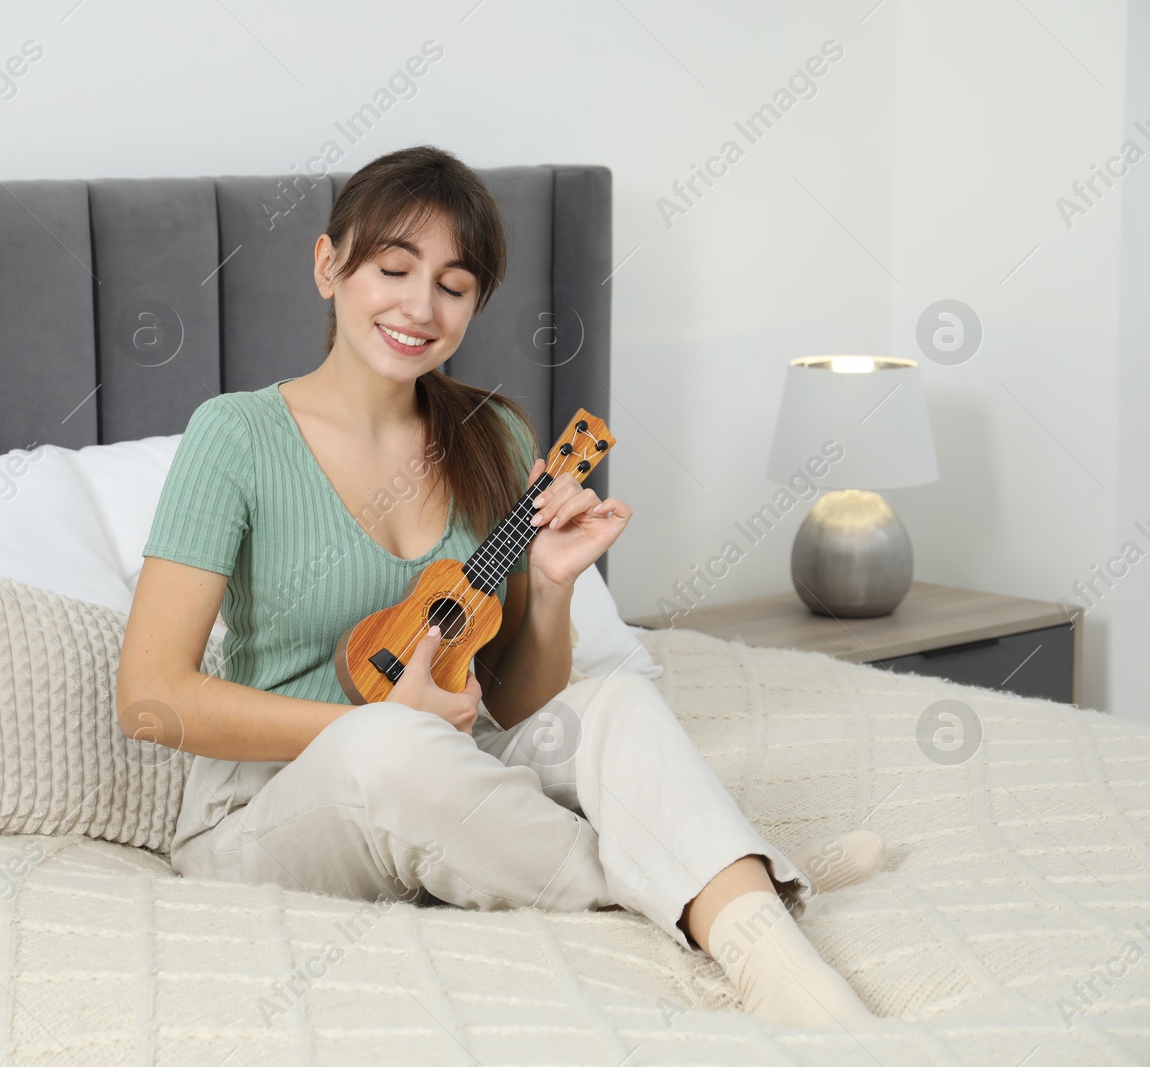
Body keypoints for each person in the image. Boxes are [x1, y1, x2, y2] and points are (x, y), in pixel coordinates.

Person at [117, 144, 880, 1028]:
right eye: (393, 268)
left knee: (616, 703)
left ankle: (772, 960)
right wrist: (372, 722)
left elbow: (517, 699)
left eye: (454, 284)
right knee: (388, 753)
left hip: (455, 771)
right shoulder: (235, 436)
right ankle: (729, 883)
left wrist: (554, 587)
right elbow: (149, 699)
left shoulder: (493, 434)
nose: (419, 306)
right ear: (329, 266)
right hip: (266, 813)